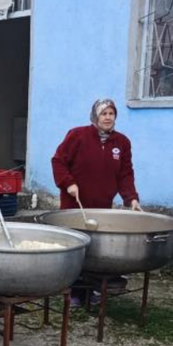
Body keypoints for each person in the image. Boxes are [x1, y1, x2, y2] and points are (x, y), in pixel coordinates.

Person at [51, 97, 142, 306]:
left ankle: (90, 290)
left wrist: (132, 198)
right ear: (95, 116)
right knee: (75, 246)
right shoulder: (77, 136)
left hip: (101, 205)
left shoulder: (122, 142)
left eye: (111, 114)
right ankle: (72, 291)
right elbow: (58, 162)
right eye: (104, 113)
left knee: (94, 248)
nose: (108, 118)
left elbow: (125, 174)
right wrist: (68, 183)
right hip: (76, 204)